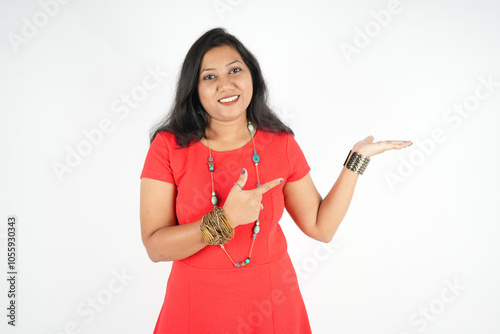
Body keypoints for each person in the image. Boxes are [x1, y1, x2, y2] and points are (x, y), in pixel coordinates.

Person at [139, 27, 412, 334]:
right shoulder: (169, 147)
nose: (225, 84)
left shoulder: (279, 143)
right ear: (194, 89)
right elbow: (156, 248)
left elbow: (322, 228)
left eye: (235, 70)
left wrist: (356, 160)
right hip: (196, 309)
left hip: (270, 307)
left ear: (252, 76)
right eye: (209, 76)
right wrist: (225, 219)